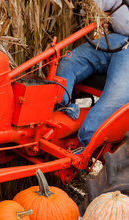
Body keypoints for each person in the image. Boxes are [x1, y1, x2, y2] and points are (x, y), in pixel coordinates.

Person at [55, 0, 129, 152]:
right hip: (115, 39)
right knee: (69, 61)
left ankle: (85, 145)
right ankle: (63, 106)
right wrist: (87, 4)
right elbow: (92, 6)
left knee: (116, 96)